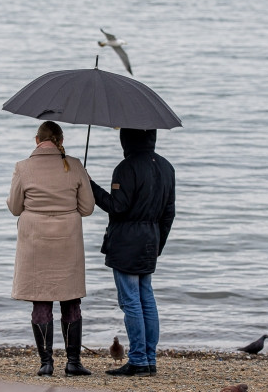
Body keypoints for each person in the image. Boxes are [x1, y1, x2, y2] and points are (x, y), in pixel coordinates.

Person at [7, 120, 95, 377]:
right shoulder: (75, 166)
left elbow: (15, 208)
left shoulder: (22, 167)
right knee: (71, 300)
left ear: (37, 140)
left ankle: (46, 364)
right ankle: (73, 363)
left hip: (35, 242)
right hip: (68, 241)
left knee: (41, 300)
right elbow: (87, 208)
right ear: (61, 141)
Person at [90, 128, 175, 377]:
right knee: (146, 299)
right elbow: (169, 213)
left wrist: (90, 186)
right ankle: (149, 360)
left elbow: (118, 207)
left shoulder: (126, 167)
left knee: (131, 302)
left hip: (127, 242)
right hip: (151, 240)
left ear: (126, 138)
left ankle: (138, 360)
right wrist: (158, 245)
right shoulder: (167, 167)